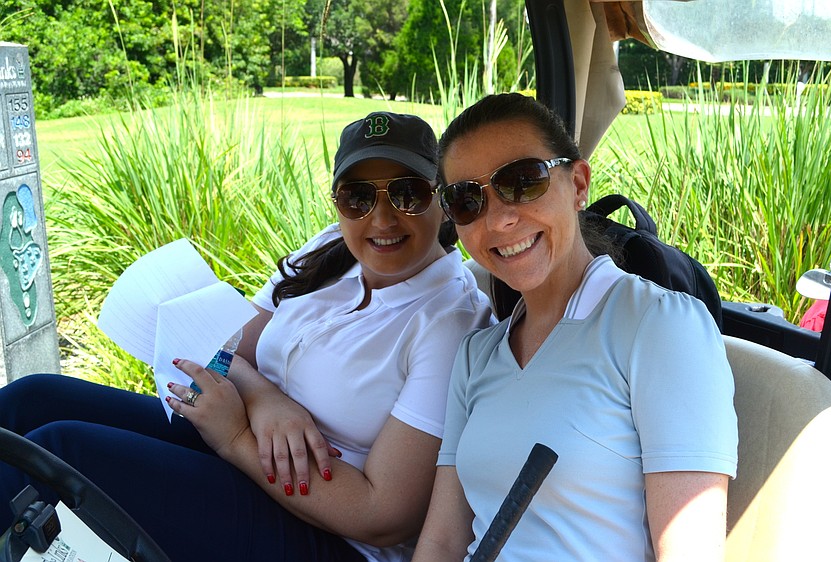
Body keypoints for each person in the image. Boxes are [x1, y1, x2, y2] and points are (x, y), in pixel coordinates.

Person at [0, 111, 494, 561]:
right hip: (241, 442)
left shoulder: (448, 322)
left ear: (443, 201)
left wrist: (236, 438)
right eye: (357, 197)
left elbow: (384, 516)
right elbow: (228, 347)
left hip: (329, 531)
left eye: (408, 193)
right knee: (33, 399)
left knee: (62, 452)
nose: (381, 219)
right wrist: (265, 399)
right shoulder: (333, 248)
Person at [412, 93, 738, 561]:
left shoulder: (660, 327)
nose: (500, 218)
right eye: (467, 200)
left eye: (523, 182)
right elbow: (442, 542)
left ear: (578, 183)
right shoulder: (476, 354)